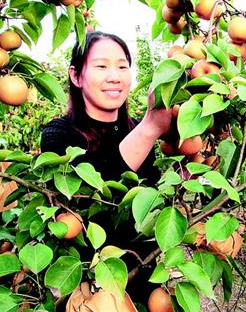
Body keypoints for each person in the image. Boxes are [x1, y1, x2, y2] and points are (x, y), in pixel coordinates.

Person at [40, 31, 172, 303]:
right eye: (101, 66)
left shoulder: (135, 128)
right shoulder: (58, 134)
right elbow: (93, 197)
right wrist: (150, 129)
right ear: (76, 76)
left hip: (143, 269)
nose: (115, 76)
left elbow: (153, 199)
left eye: (123, 66)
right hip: (92, 279)